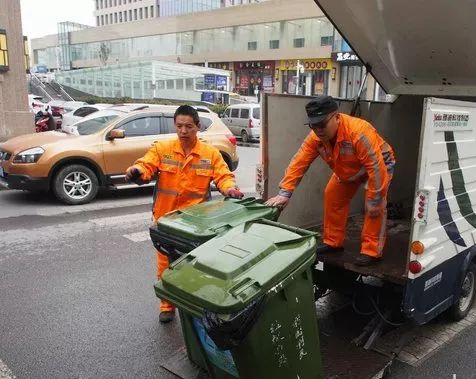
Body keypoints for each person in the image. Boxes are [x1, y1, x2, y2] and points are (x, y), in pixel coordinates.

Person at [125, 105, 244, 323]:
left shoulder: (210, 153)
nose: (183, 131)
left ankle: (193, 305)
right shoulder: (162, 149)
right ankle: (167, 305)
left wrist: (230, 189)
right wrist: (137, 172)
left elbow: (224, 176)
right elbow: (146, 165)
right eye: (179, 126)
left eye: (188, 126)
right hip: (165, 221)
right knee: (165, 265)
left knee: (194, 265)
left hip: (196, 225)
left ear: (198, 126)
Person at [266, 96, 396, 266]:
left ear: (337, 117)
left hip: (379, 164)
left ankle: (371, 251)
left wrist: (376, 199)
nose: (318, 130)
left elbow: (376, 168)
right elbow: (299, 162)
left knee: (374, 207)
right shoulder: (315, 138)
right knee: (332, 195)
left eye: (322, 124)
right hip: (348, 168)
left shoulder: (359, 132)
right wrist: (285, 193)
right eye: (313, 125)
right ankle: (333, 243)